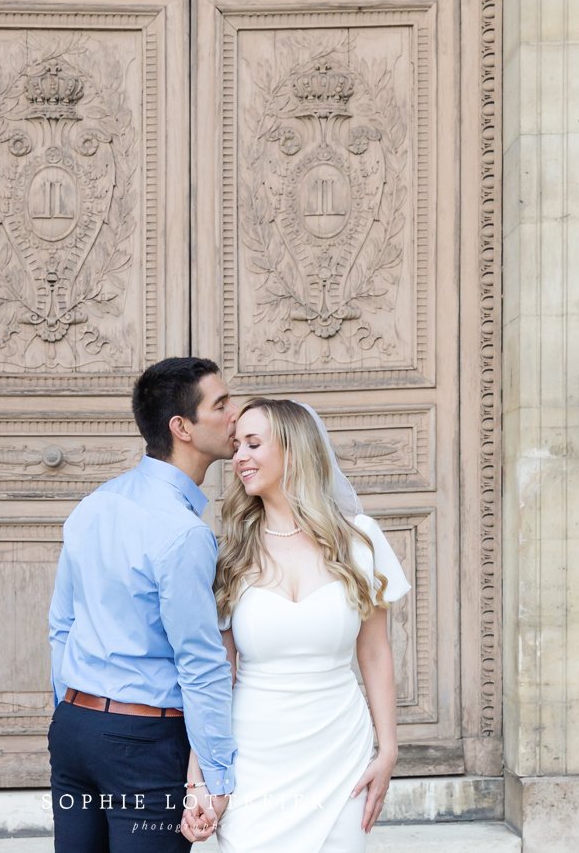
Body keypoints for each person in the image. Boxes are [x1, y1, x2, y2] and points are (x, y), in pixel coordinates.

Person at [183, 396, 410, 853]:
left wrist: (387, 751)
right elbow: (216, 674)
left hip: (339, 752)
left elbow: (375, 652)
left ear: (293, 449)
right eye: (236, 445)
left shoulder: (360, 540)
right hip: (255, 757)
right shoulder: (231, 555)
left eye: (253, 444)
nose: (238, 457)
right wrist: (198, 780)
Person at [47, 356, 239, 852]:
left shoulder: (93, 505)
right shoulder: (183, 533)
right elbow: (200, 662)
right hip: (142, 743)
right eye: (221, 404)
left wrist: (69, 712)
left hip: (75, 730)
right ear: (183, 428)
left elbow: (61, 626)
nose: (234, 414)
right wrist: (215, 779)